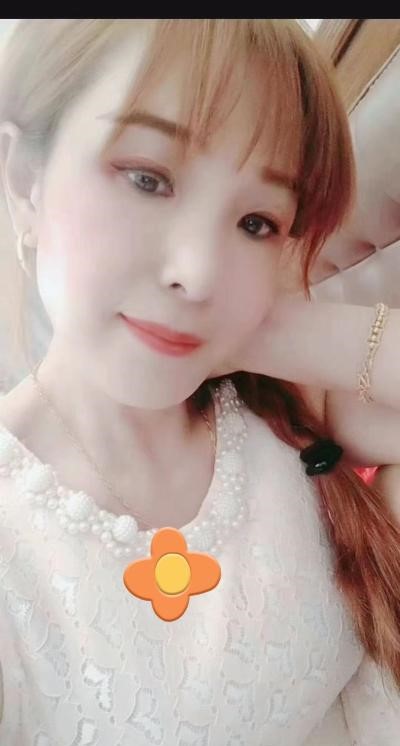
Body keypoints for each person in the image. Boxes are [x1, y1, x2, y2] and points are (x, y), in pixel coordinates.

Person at [0, 18, 400, 745]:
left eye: (256, 223)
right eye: (148, 179)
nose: (200, 272)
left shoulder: (287, 413)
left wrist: (277, 332)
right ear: (26, 182)